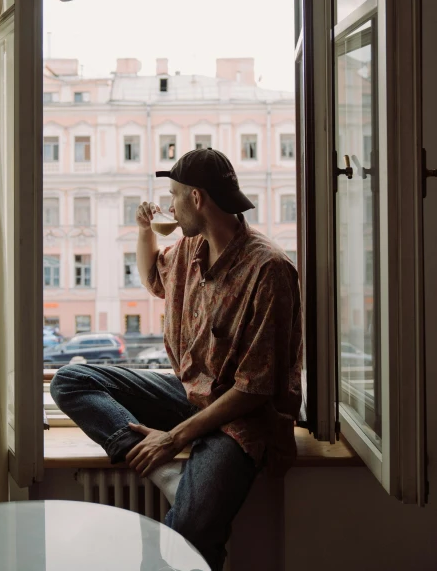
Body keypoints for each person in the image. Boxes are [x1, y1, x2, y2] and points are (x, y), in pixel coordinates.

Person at [51, 148, 302, 571]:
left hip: (240, 420)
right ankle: (159, 469)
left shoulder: (270, 269)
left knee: (186, 532)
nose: (170, 204)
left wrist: (175, 438)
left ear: (197, 199)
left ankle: (167, 464)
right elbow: (153, 278)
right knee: (70, 381)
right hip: (190, 394)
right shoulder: (191, 249)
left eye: (174, 195)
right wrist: (144, 230)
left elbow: (254, 389)